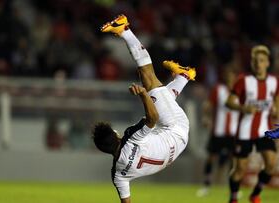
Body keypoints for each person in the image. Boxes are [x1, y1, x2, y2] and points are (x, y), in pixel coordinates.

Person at [92, 15, 196, 203]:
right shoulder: (130, 138)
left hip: (174, 151)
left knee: (161, 98)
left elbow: (126, 202)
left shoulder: (117, 174)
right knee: (147, 78)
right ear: (116, 136)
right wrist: (142, 94)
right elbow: (153, 118)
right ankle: (124, 29)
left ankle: (184, 76)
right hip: (175, 129)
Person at [225, 45, 278, 203]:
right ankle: (233, 198)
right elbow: (229, 102)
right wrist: (243, 108)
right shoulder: (243, 81)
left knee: (271, 164)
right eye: (255, 61)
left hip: (264, 130)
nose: (258, 64)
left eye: (261, 61)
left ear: (267, 63)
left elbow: (276, 101)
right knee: (240, 169)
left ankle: (255, 194)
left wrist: (276, 111)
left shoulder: (274, 82)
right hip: (244, 131)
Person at [196, 68, 239, 197]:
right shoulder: (218, 90)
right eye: (228, 76)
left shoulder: (240, 92)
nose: (230, 79)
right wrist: (206, 118)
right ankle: (206, 186)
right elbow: (208, 105)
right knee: (211, 158)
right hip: (218, 131)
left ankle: (234, 188)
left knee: (235, 160)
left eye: (232, 76)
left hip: (234, 132)